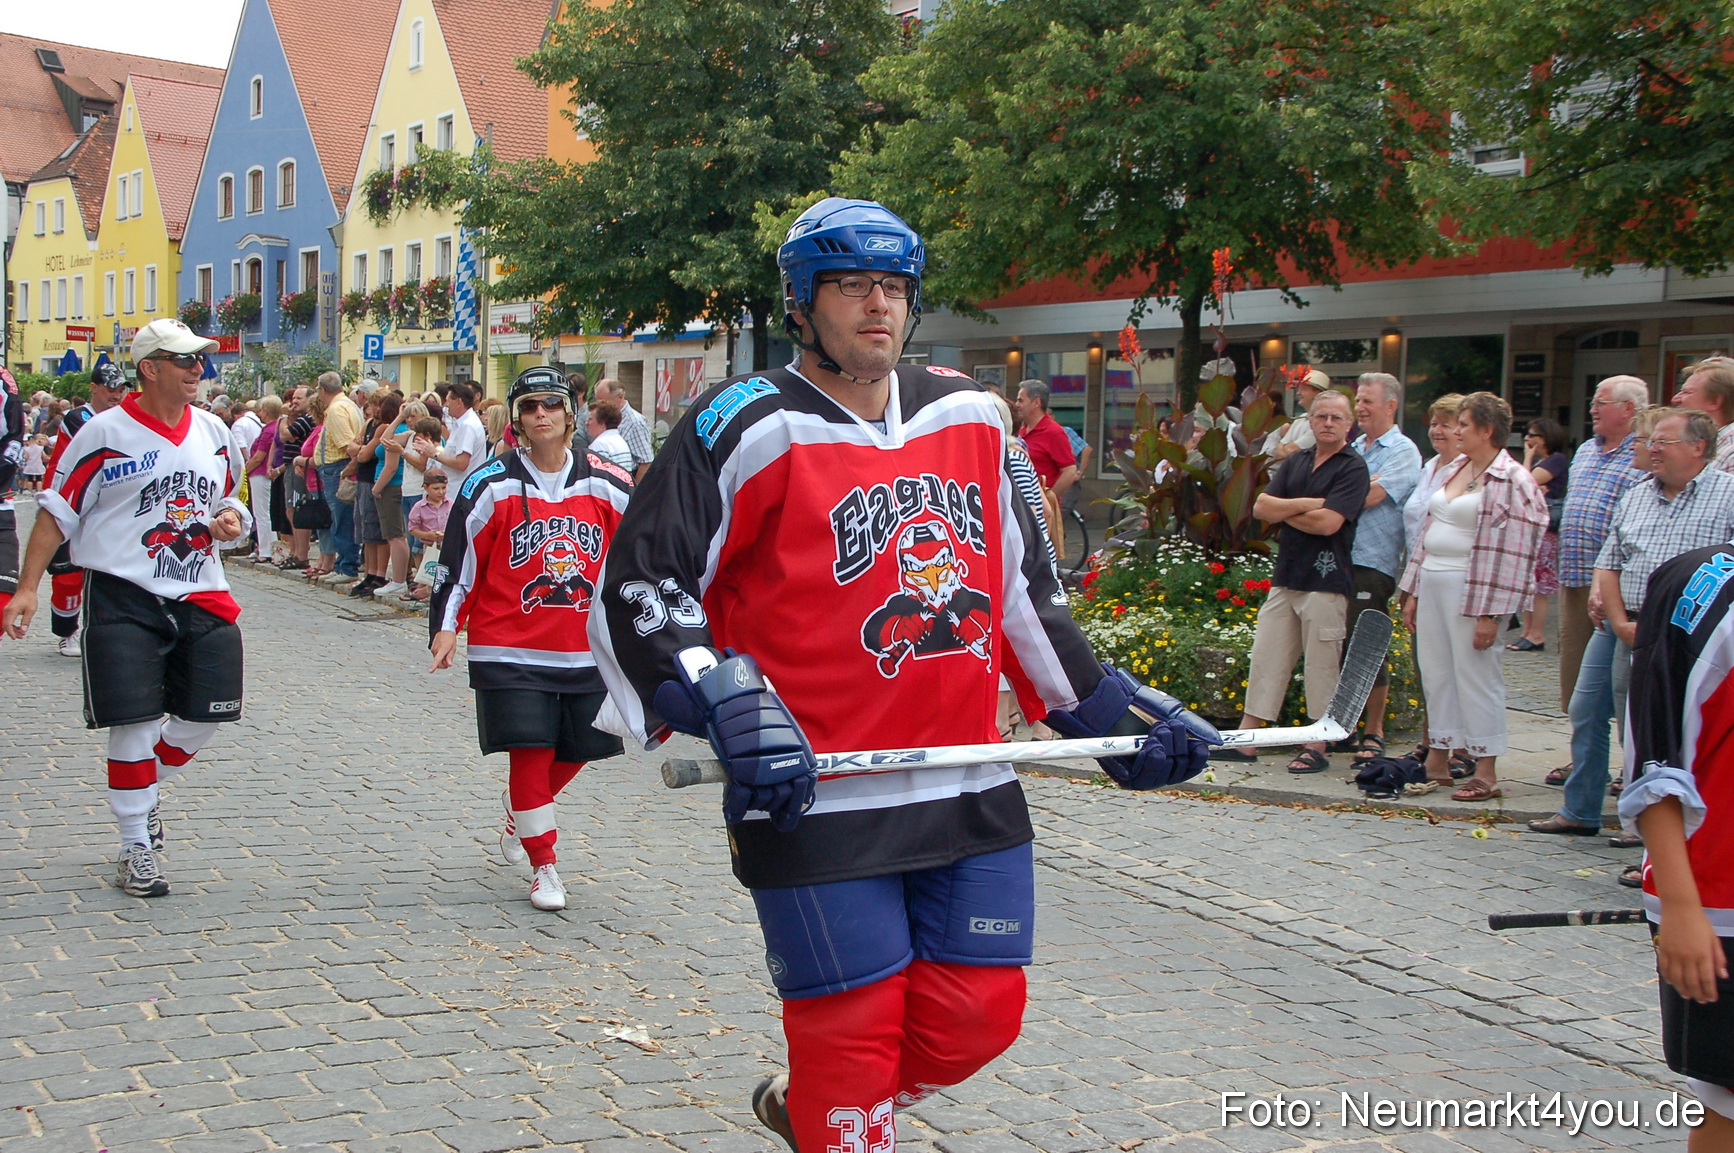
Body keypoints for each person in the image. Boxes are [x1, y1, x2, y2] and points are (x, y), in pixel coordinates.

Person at [589, 197, 1212, 1153]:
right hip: (813, 793)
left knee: (978, 1017)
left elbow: (1023, 589)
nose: (876, 304)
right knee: (851, 1038)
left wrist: (1103, 709)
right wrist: (718, 692)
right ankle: (838, 1111)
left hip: (965, 778)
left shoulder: (973, 412)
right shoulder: (744, 422)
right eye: (850, 285)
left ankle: (815, 1108)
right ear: (802, 301)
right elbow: (641, 582)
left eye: (892, 286)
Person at [3, 318, 250, 897]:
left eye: (200, 359)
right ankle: (136, 842)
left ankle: (143, 785)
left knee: (209, 714)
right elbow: (57, 512)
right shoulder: (103, 433)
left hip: (201, 590)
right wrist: (28, 587)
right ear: (150, 368)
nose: (198, 368)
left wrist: (230, 521)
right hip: (122, 591)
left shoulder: (214, 430)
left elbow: (230, 500)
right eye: (185, 359)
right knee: (134, 721)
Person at [429, 367, 633, 909]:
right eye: (528, 406)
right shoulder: (489, 484)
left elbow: (640, 559)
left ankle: (519, 810)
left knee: (584, 746)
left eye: (550, 404)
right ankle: (545, 865)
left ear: (570, 414)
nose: (540, 414)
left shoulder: (610, 483)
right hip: (508, 648)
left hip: (587, 648)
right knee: (530, 753)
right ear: (516, 420)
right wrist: (447, 626)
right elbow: (460, 562)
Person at [1529, 409, 1734, 836]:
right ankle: (1581, 810)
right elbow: (1609, 560)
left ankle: (1649, 825)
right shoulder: (1638, 493)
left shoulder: (1727, 494)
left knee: (1643, 726)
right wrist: (1621, 622)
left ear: (1698, 447)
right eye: (1651, 441)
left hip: (1683, 636)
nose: (1652, 449)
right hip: (1620, 626)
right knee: (1586, 709)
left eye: (1663, 442)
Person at [1618, 541, 1734, 1152]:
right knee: (1729, 1103)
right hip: (1718, 897)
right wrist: (1684, 910)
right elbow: (1655, 761)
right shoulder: (1706, 587)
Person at [1399, 392, 1547, 801]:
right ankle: (1438, 758)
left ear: (1486, 430)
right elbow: (1429, 530)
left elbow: (1519, 550)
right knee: (1437, 672)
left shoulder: (1513, 479)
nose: (1456, 431)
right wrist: (1413, 590)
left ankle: (1486, 769)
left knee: (1476, 676)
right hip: (1434, 579)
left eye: (1464, 424)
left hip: (1475, 587)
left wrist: (1492, 613)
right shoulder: (1456, 467)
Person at [1226, 389, 1369, 773]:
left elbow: (1329, 523)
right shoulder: (1297, 461)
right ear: (1310, 420)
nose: (1328, 423)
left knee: (1322, 664)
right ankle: (1247, 740)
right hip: (1287, 575)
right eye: (1321, 416)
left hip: (1327, 580)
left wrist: (1286, 510)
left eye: (1336, 418)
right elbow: (1261, 507)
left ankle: (1317, 743)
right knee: (1267, 656)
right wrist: (1309, 504)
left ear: (1348, 423)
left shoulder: (1353, 468)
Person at [1555, 375, 1648, 717]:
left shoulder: (1643, 453)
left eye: (1600, 403)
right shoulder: (1585, 450)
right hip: (1574, 575)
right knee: (1574, 668)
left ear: (1628, 409)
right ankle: (1578, 743)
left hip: (1618, 583)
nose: (1592, 409)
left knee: (1617, 678)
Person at [1343, 372, 1422, 760]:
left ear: (1391, 405)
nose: (1359, 408)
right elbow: (1335, 489)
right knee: (1340, 644)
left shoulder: (1404, 451)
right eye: (1358, 400)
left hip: (1373, 564)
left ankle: (1373, 731)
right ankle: (1344, 727)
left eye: (1367, 401)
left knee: (1368, 645)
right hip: (1339, 558)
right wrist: (1356, 487)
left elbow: (1370, 497)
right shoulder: (1354, 447)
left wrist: (1348, 491)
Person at [1509, 418, 1570, 652]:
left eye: (1533, 435)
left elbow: (1525, 482)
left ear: (1546, 438)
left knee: (1540, 586)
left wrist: (1527, 459)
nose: (1527, 439)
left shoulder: (1556, 460)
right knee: (1529, 584)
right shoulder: (1541, 462)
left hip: (1545, 531)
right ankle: (1526, 631)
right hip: (1530, 527)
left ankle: (1536, 633)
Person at [311, 372, 363, 583]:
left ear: (323, 390)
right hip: (337, 467)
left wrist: (347, 470)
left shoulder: (336, 409)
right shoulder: (348, 405)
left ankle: (346, 566)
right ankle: (343, 564)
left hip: (337, 467)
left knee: (341, 518)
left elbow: (347, 444)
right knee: (341, 518)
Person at [1012, 379, 1078, 499]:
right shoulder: (1021, 432)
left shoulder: (1054, 432)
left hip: (1039, 506)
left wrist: (1049, 500)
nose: (1017, 405)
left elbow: (1070, 471)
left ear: (1036, 403)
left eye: (1021, 400)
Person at [1672, 356, 1734, 473]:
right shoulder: (1703, 442)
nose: (1675, 399)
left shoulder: (1730, 453)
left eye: (1687, 392)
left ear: (1714, 401)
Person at [594, 377, 655, 481]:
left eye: (604, 401)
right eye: (598, 401)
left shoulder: (635, 422)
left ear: (620, 397)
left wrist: (634, 489)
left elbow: (646, 462)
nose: (600, 405)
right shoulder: (604, 417)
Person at [432, 382, 488, 489]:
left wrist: (434, 454)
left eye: (448, 401)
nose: (446, 405)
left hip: (460, 489)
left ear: (458, 402)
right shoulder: (462, 423)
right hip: (456, 488)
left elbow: (461, 463)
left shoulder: (467, 426)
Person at [1265, 368, 1327, 460]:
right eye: (1299, 389)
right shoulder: (1300, 418)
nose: (1298, 393)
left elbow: (1290, 451)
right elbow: (1278, 452)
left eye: (1304, 389)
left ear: (1318, 393)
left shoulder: (1322, 423)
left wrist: (1285, 449)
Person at [585, 402, 634, 473]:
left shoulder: (599, 445)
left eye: (590, 419)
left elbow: (597, 476)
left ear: (602, 423)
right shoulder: (621, 442)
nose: (586, 423)